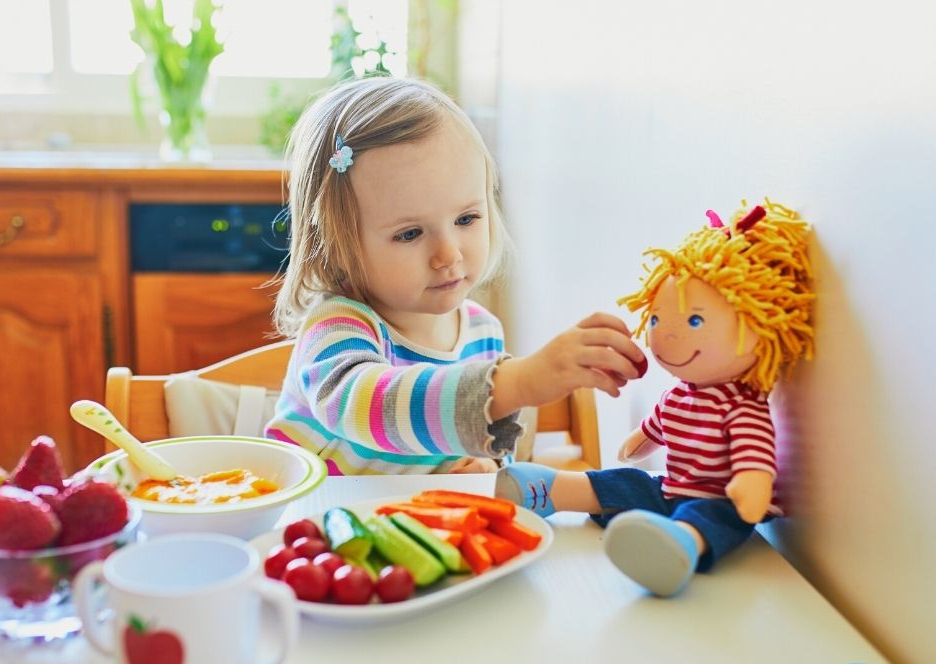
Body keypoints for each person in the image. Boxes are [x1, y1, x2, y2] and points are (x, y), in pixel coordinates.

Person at [265, 77, 646, 477]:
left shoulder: (482, 331)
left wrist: (485, 464)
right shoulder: (337, 328)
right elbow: (368, 408)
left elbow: (484, 435)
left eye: (466, 218)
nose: (448, 255)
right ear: (338, 243)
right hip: (313, 527)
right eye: (409, 233)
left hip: (418, 528)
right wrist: (516, 382)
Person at [496, 200, 815, 597]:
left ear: (759, 326)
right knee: (628, 480)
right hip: (668, 488)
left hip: (717, 499)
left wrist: (752, 486)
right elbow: (658, 427)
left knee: (710, 516)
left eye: (695, 321)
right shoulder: (679, 395)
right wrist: (639, 441)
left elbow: (754, 460)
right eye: (660, 320)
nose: (666, 336)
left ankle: (677, 546)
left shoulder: (742, 408)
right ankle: (550, 490)